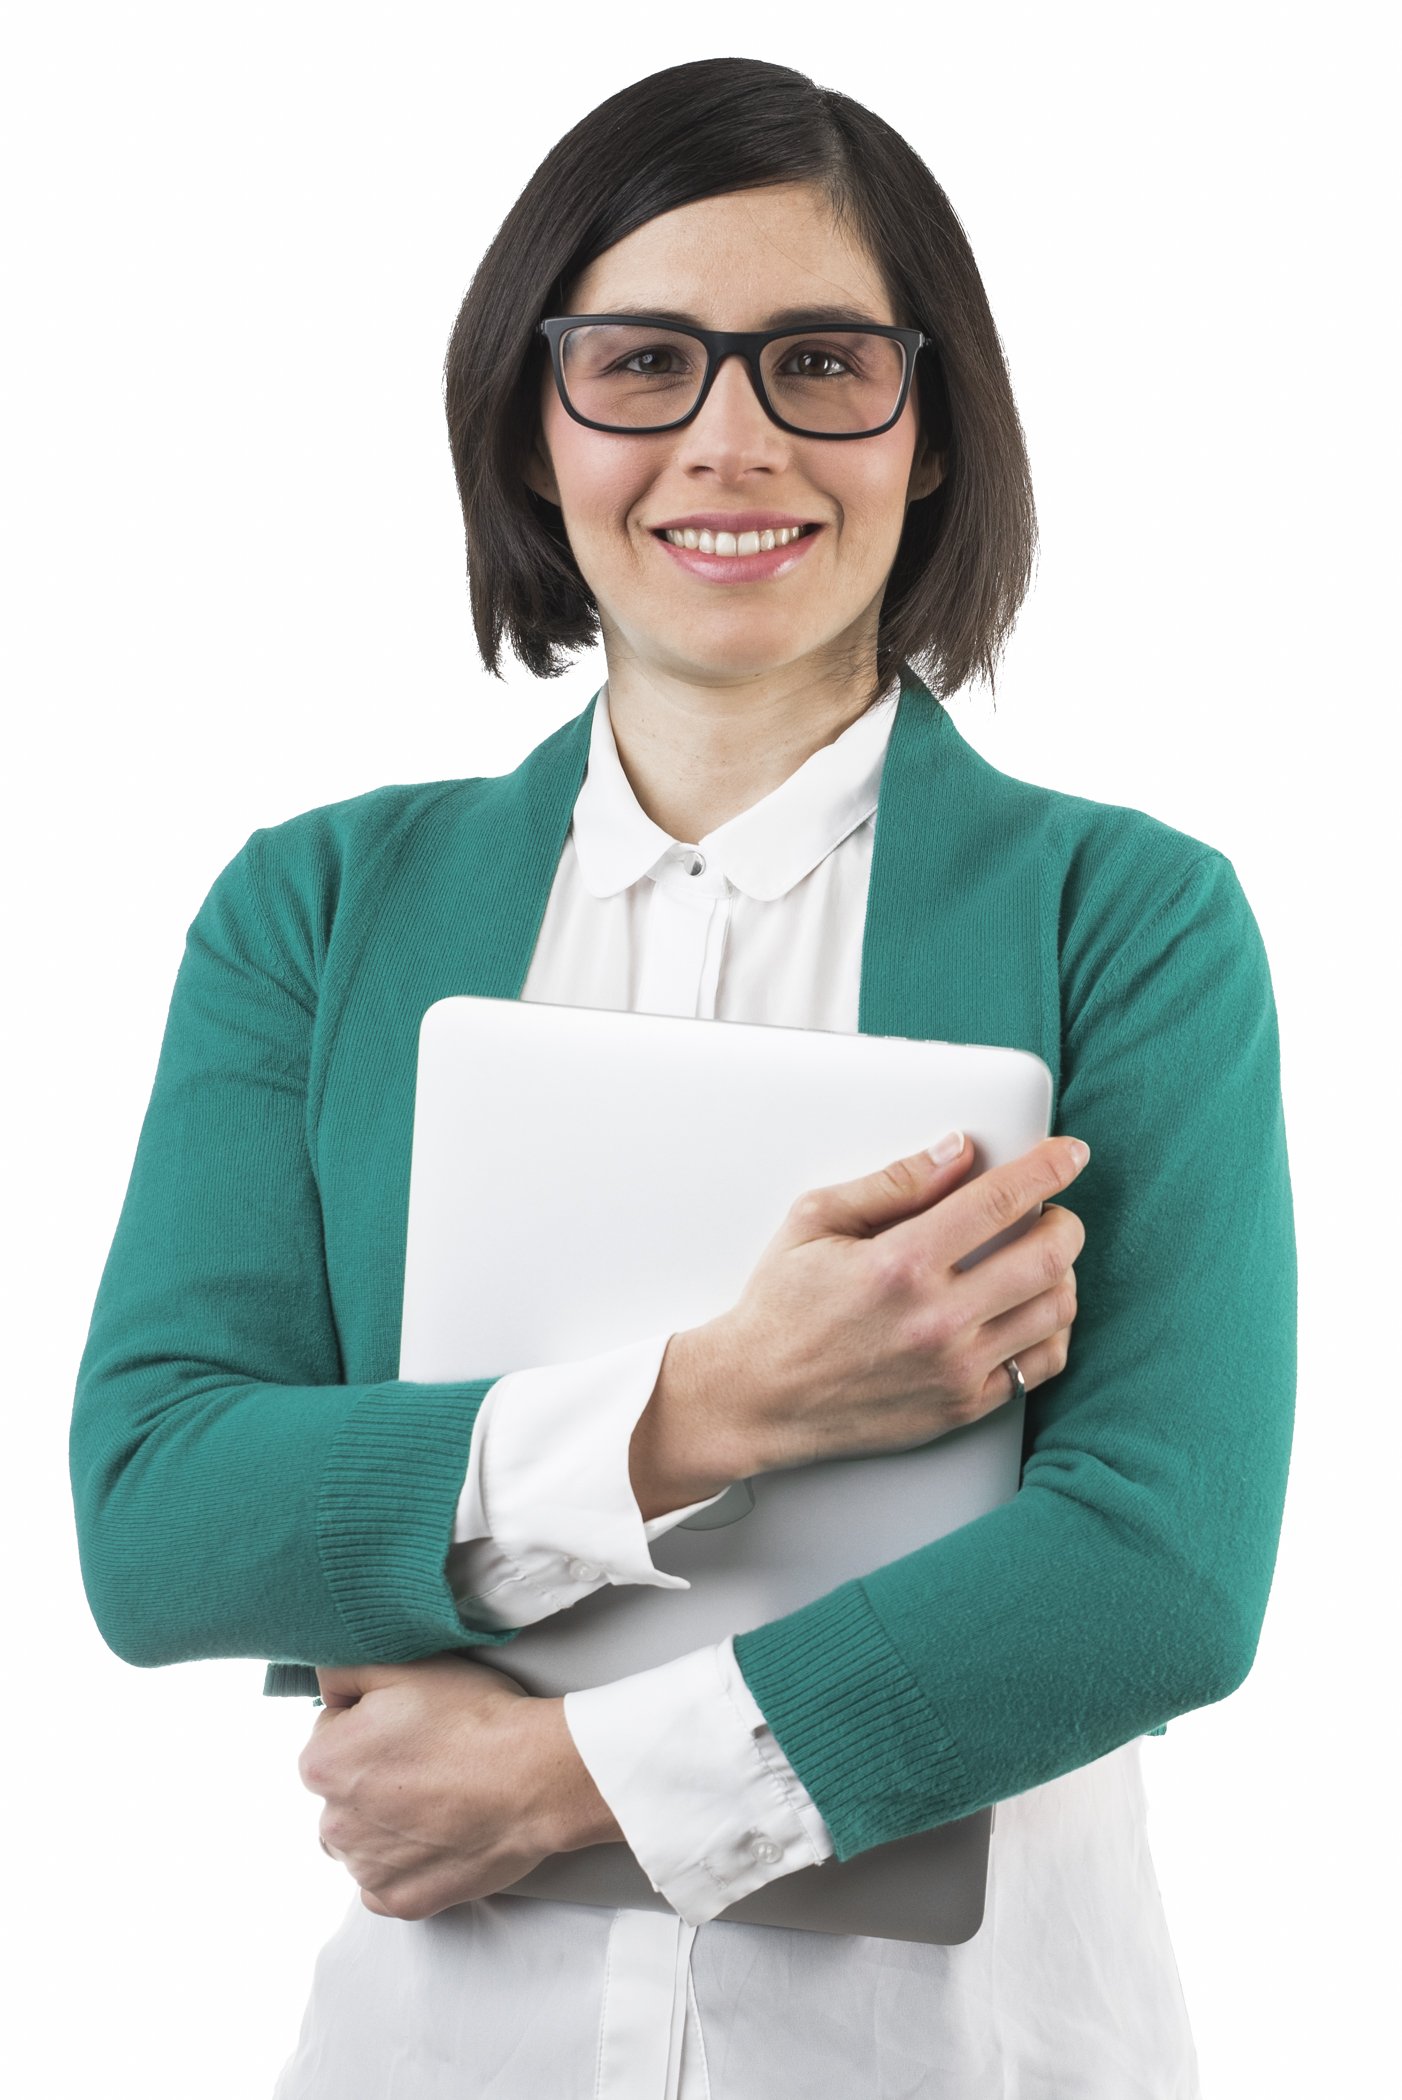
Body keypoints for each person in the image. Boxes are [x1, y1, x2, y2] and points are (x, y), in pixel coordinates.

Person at [68, 55, 1297, 2100]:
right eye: (639, 360)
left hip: (963, 2053)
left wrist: (574, 1779)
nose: (729, 441)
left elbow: (1155, 1578)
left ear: (929, 423)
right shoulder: (317, 909)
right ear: (530, 419)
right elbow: (163, 1517)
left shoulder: (1128, 917)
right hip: (455, 2053)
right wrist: (711, 1404)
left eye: (818, 359)